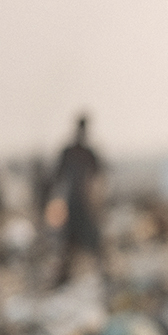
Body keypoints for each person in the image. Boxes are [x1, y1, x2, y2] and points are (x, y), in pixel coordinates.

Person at [51, 115, 104, 286]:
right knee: (68, 245)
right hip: (73, 205)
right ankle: (61, 280)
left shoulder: (88, 153)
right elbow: (57, 178)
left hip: (85, 206)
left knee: (92, 243)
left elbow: (97, 180)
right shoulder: (70, 152)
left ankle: (103, 278)